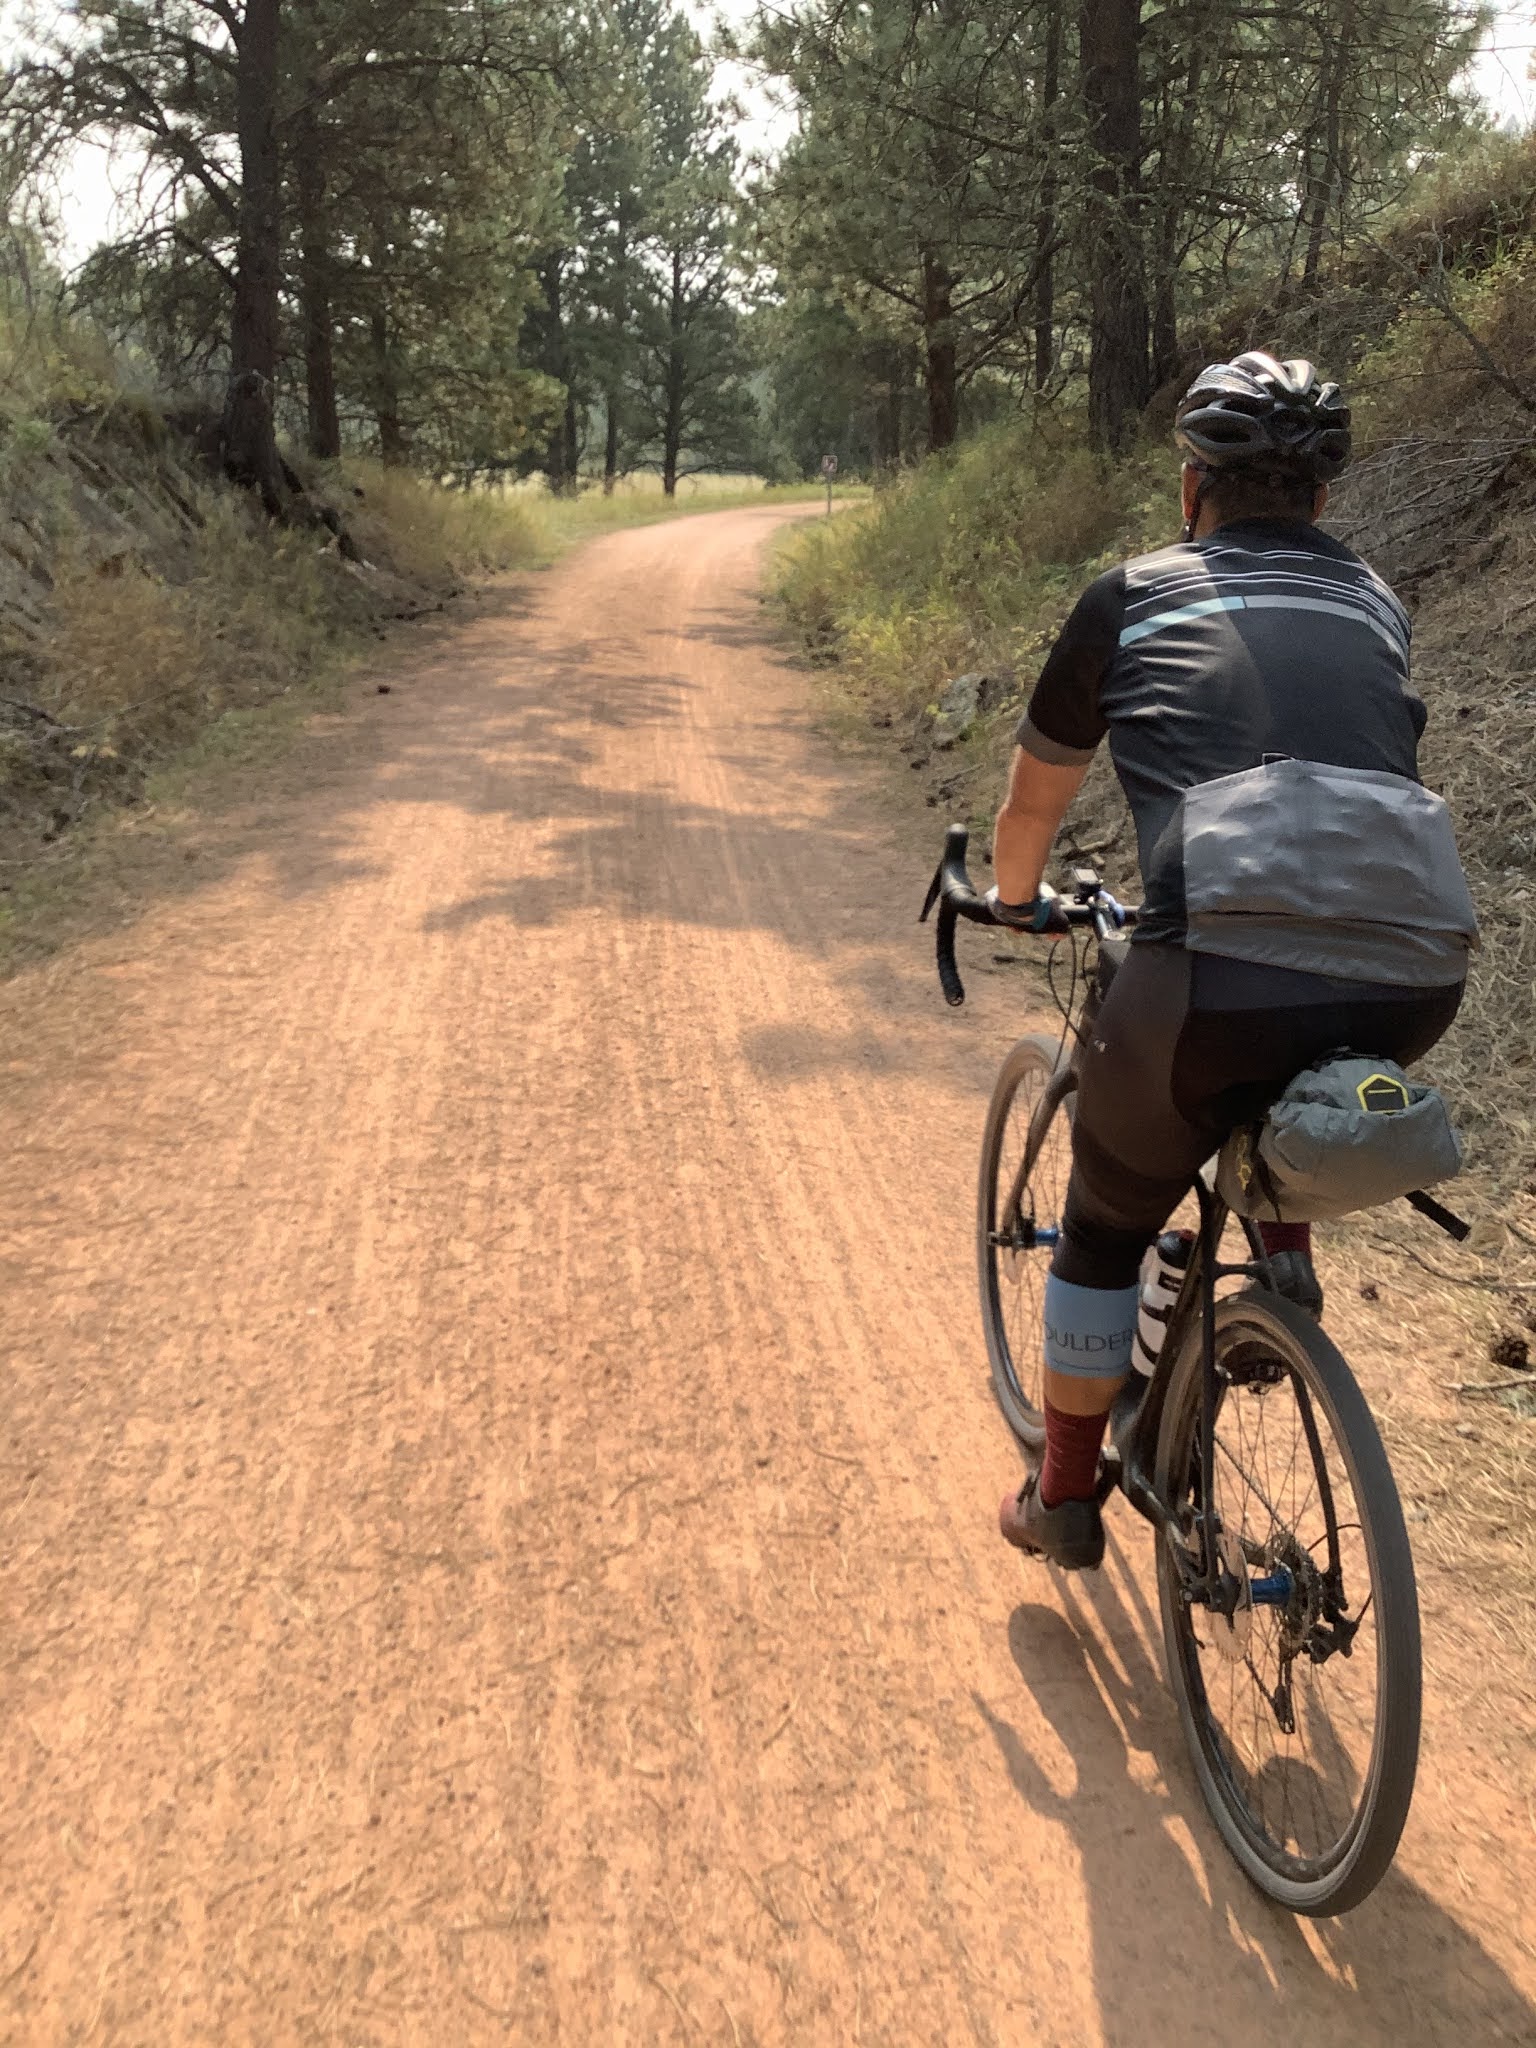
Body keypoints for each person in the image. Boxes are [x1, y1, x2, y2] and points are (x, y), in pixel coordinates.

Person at [989, 352, 1477, 1571]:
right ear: (1318, 502)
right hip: (1418, 970)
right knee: (1287, 1041)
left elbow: (1029, 810)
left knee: (1104, 1225)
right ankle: (1281, 1270)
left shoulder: (1130, 598)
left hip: (1209, 981)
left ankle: (1061, 1496)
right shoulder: (1377, 600)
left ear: (1192, 489)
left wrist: (1010, 901)